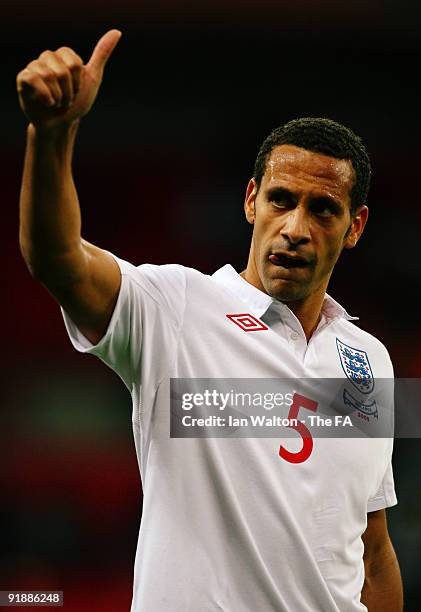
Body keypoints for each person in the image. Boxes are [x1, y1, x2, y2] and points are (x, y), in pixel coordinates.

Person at [17, 29, 403, 612]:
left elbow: (372, 550)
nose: (295, 227)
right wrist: (52, 134)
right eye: (281, 200)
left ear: (355, 227)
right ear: (251, 201)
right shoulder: (174, 307)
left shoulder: (369, 359)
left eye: (323, 209)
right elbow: (58, 258)